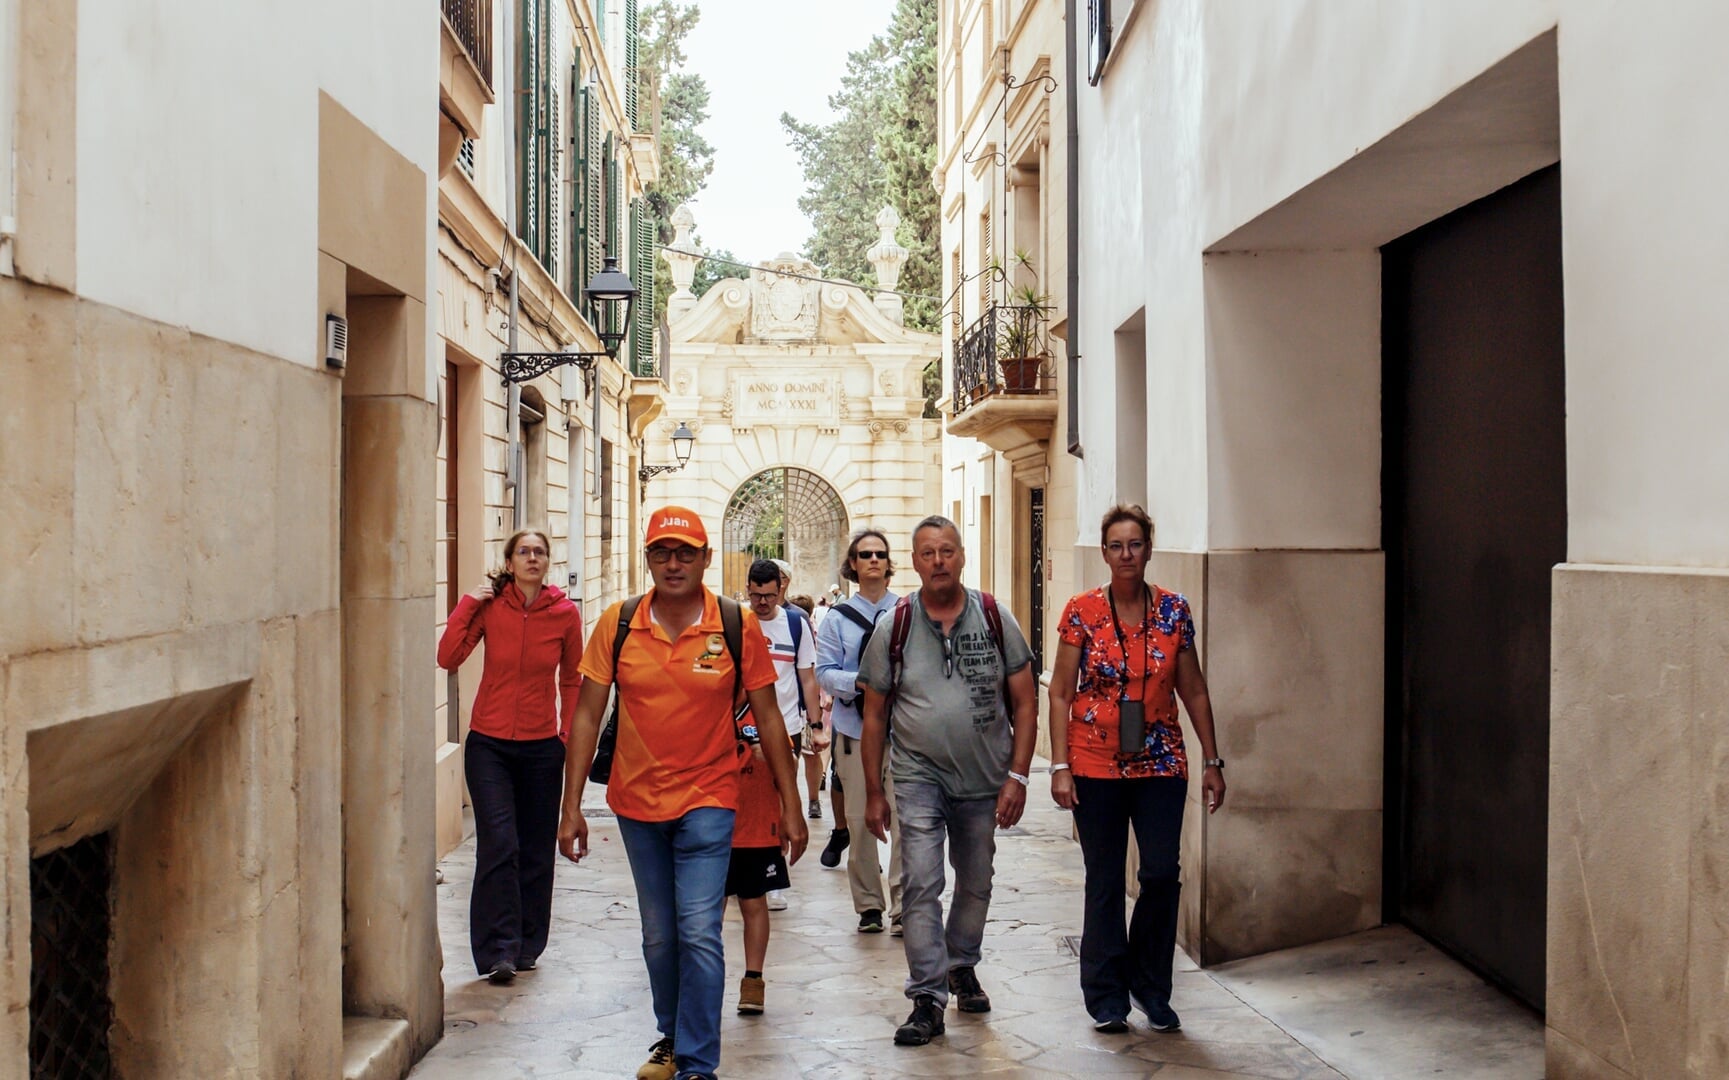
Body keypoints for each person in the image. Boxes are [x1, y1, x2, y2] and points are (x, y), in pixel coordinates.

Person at [557, 508, 809, 1080]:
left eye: (685, 553)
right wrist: (570, 807)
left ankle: (697, 1062)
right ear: (647, 558)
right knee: (659, 934)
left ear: (706, 559)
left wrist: (791, 807)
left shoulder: (736, 625)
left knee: (699, 929)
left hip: (711, 797)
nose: (673, 564)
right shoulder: (617, 624)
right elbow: (587, 715)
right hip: (636, 803)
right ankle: (670, 1036)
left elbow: (769, 719)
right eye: (662, 553)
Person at [1046, 504, 1226, 1034]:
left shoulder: (1173, 610)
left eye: (1136, 544)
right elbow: (1059, 691)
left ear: (1149, 548)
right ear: (1104, 553)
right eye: (1116, 546)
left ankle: (1151, 987)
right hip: (1094, 763)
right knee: (1103, 879)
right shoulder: (1082, 610)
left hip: (1161, 759)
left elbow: (1192, 687)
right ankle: (1106, 996)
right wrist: (1059, 765)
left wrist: (1212, 759)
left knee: (1160, 875)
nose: (1126, 555)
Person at [860, 516, 1038, 1046]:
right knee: (920, 881)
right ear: (913, 563)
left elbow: (1026, 702)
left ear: (961, 557)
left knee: (977, 879)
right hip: (918, 774)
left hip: (985, 778)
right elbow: (874, 715)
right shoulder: (894, 626)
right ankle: (927, 996)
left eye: (947, 551)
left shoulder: (993, 616)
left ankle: (961, 962)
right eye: (927, 553)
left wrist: (1019, 776)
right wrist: (874, 790)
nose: (938, 561)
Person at [436, 528, 583, 985]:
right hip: (490, 744)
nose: (533, 558)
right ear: (510, 560)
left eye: (540, 552)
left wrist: (566, 734)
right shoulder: (490, 607)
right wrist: (467, 603)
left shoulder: (563, 614)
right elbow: (448, 656)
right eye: (524, 552)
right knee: (499, 842)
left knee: (536, 846)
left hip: (541, 747)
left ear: (548, 561)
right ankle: (497, 949)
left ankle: (527, 944)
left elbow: (573, 679)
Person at [813, 528, 901, 932]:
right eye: (864, 554)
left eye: (879, 554)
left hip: (901, 735)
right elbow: (824, 672)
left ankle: (903, 904)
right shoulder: (836, 619)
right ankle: (869, 905)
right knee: (861, 819)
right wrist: (859, 684)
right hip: (852, 730)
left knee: (906, 821)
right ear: (852, 564)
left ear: (888, 563)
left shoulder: (906, 612)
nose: (873, 560)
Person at [746, 560, 822, 912]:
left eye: (770, 596)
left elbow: (807, 677)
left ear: (781, 590)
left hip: (787, 727)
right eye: (757, 595)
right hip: (741, 729)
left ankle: (773, 879)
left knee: (780, 805)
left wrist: (816, 724)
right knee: (742, 804)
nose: (763, 603)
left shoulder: (795, 624)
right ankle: (738, 874)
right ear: (748, 589)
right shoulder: (735, 623)